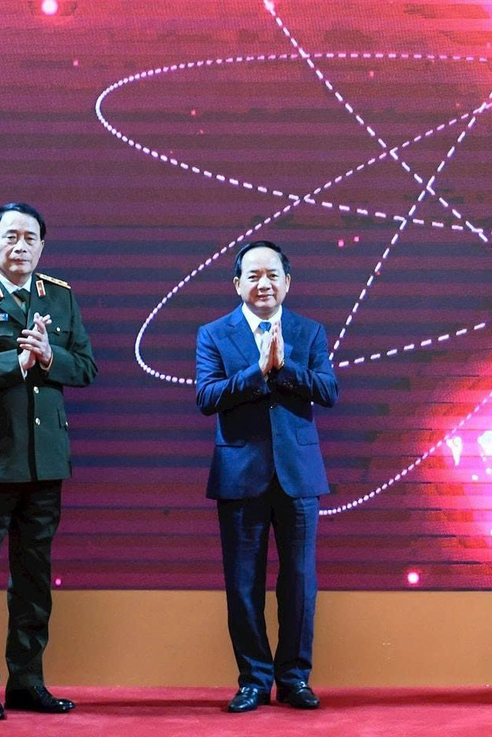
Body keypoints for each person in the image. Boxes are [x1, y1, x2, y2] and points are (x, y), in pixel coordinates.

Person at [0, 202, 97, 721]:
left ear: (43, 246)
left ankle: (27, 682)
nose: (21, 246)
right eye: (11, 237)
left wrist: (50, 357)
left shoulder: (61, 297)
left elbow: (86, 369)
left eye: (31, 238)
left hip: (44, 464)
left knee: (33, 581)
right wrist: (17, 361)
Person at [196, 240, 339, 712]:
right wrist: (258, 371)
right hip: (239, 474)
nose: (264, 284)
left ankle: (294, 678)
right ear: (237, 284)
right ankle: (253, 680)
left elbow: (328, 390)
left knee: (299, 581)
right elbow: (207, 396)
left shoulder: (309, 331)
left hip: (298, 475)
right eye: (253, 275)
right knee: (243, 584)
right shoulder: (213, 334)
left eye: (273, 275)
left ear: (287, 282)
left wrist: (284, 368)